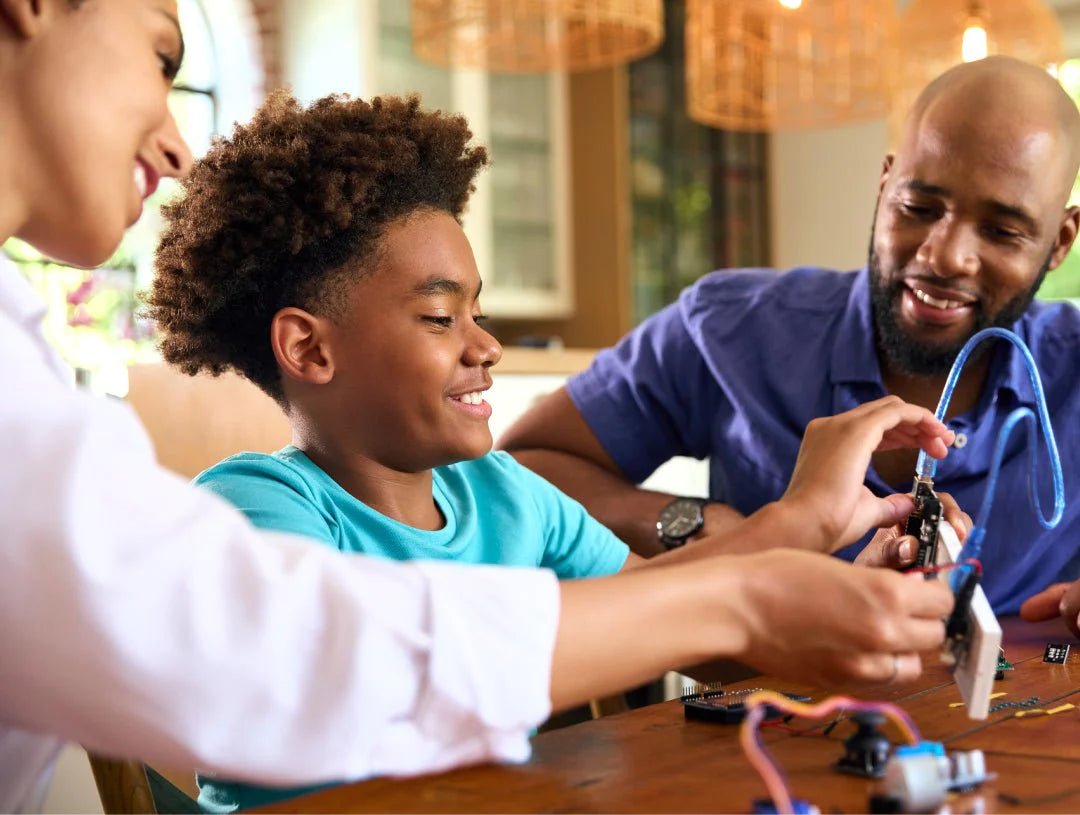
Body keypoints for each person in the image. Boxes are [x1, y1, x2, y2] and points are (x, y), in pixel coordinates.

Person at [0, 1, 954, 811]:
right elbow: (307, 657)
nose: (173, 143)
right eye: (163, 55)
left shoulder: (503, 494)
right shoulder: (259, 507)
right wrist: (760, 574)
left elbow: (656, 614)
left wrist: (811, 548)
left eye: (477, 309)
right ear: (308, 349)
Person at [501, 55, 1080, 625]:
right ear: (884, 186)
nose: (944, 255)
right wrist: (704, 526)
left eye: (1002, 231)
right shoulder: (731, 328)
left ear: (1060, 241)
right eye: (919, 207)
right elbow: (525, 468)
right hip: (769, 712)